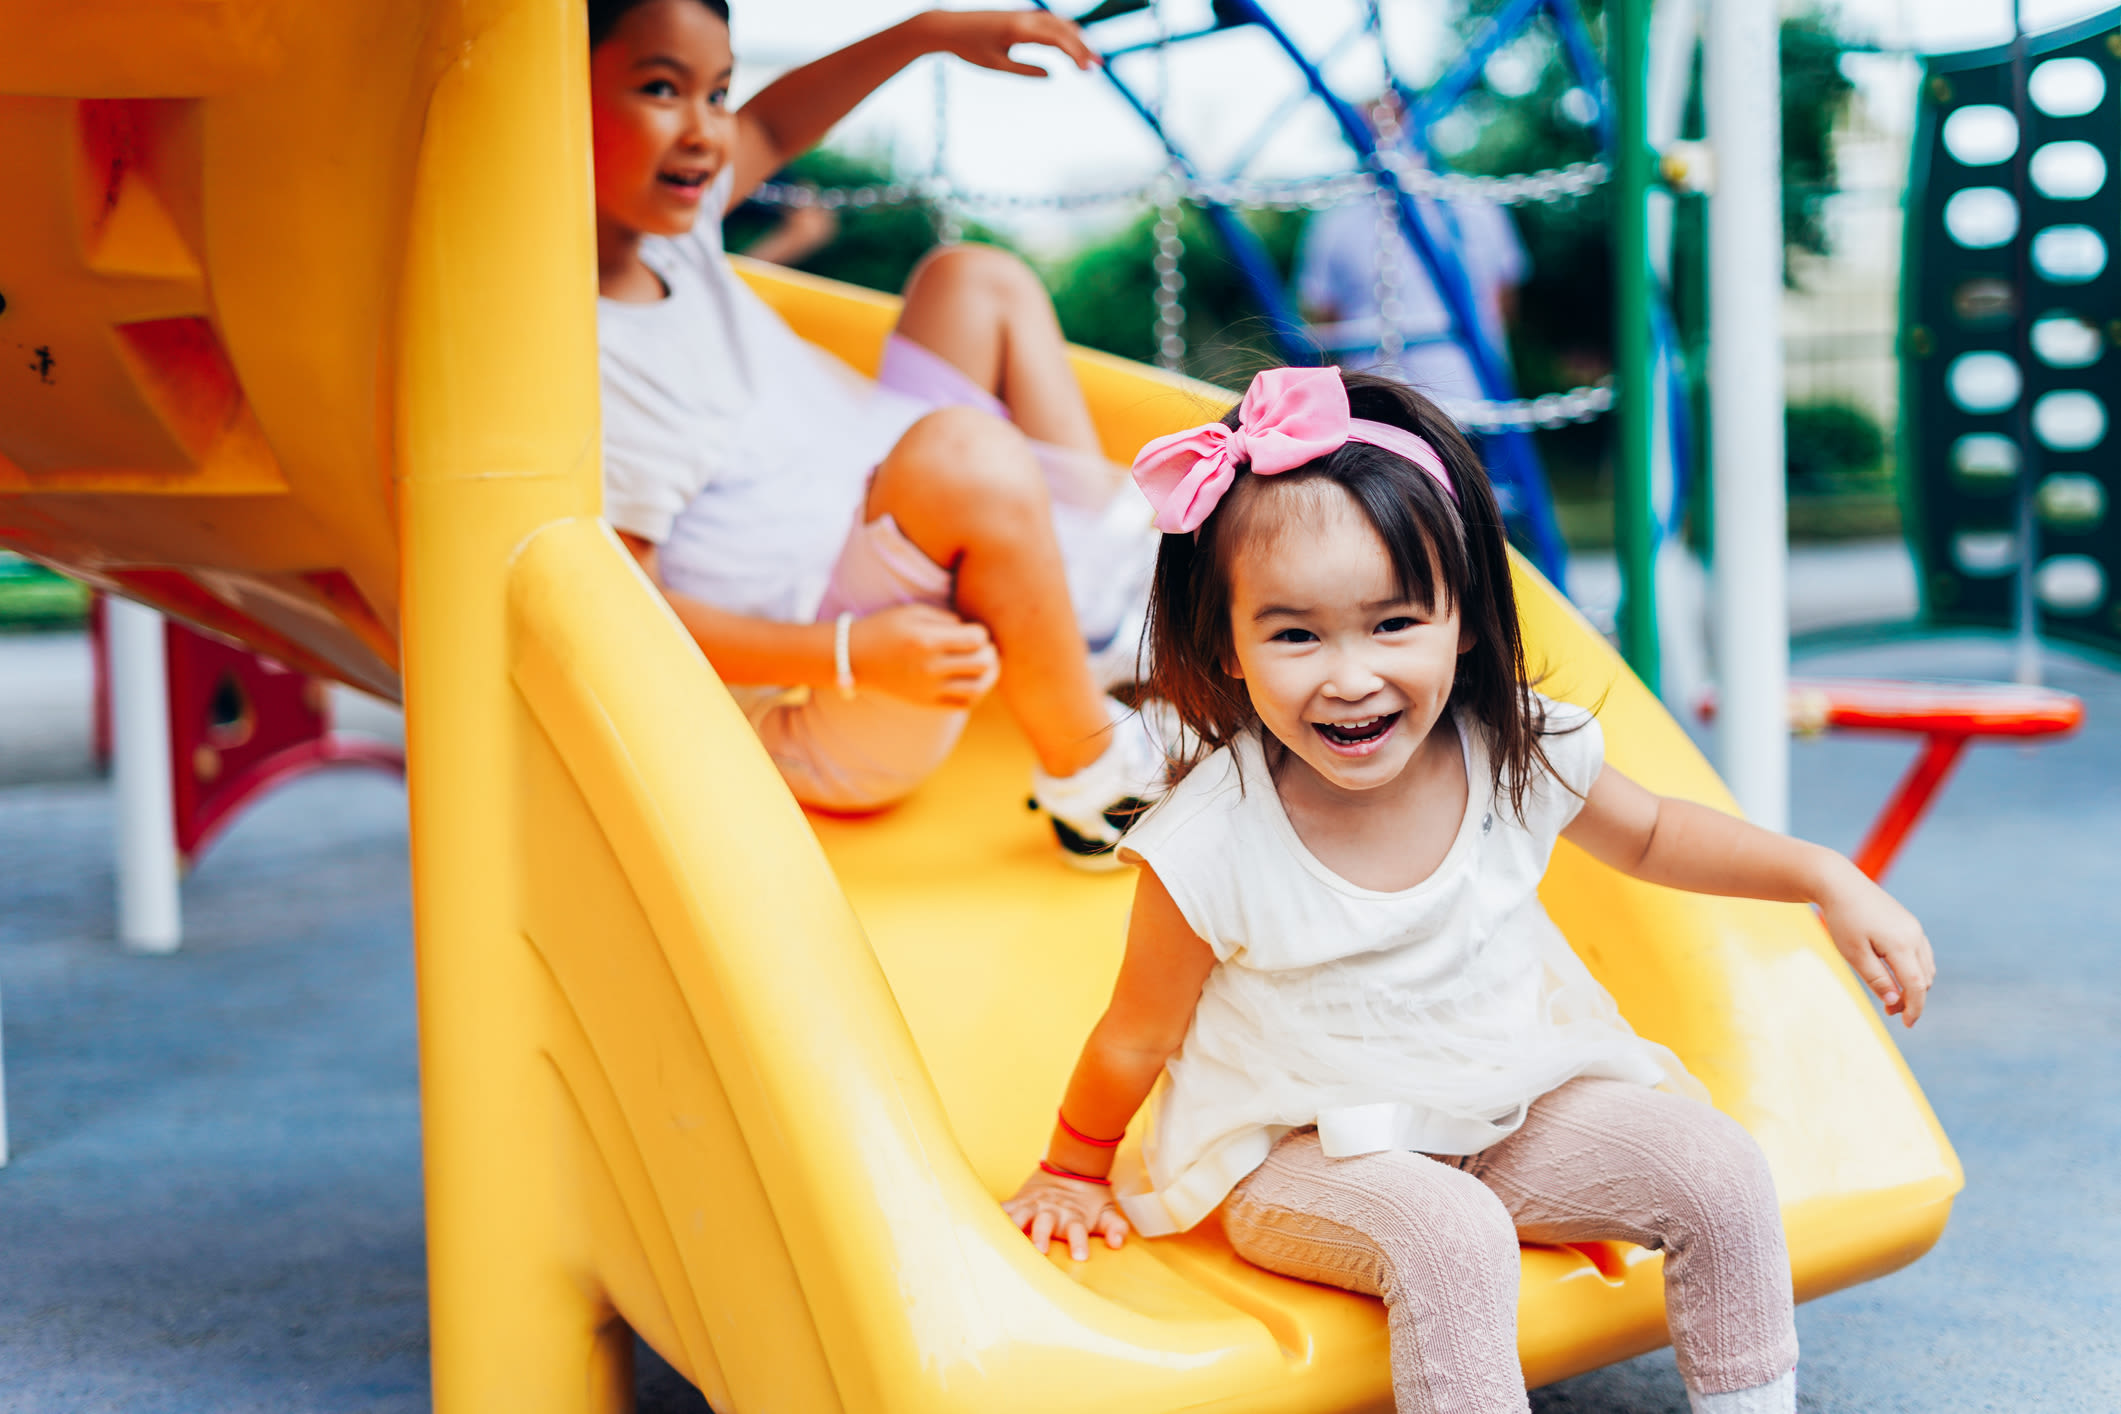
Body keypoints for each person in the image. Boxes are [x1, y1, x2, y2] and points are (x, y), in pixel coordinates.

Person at [1001, 367, 1937, 1414]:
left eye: (1394, 623)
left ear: (1466, 621)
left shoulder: (1509, 746)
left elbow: (1660, 833)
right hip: (1299, 1154)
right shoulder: (1214, 839)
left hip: (1503, 1102)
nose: (1349, 674)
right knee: (1451, 1235)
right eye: (1296, 634)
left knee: (1716, 1169)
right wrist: (1073, 1169)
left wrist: (1824, 876)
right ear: (1227, 644)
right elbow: (1136, 1033)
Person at [589, 0, 1167, 863]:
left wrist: (927, 32)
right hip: (830, 690)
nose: (707, 132)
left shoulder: (671, 233)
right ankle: (1093, 778)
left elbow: (776, 124)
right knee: (963, 456)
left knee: (972, 281)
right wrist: (853, 653)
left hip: (863, 504)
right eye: (661, 89)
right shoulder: (585, 353)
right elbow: (622, 616)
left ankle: (1105, 576)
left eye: (715, 93)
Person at [1295, 104, 1526, 403]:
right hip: (1380, 411)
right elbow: (1322, 320)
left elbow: (1504, 301)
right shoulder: (1335, 222)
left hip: (1468, 401)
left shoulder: (1474, 205)